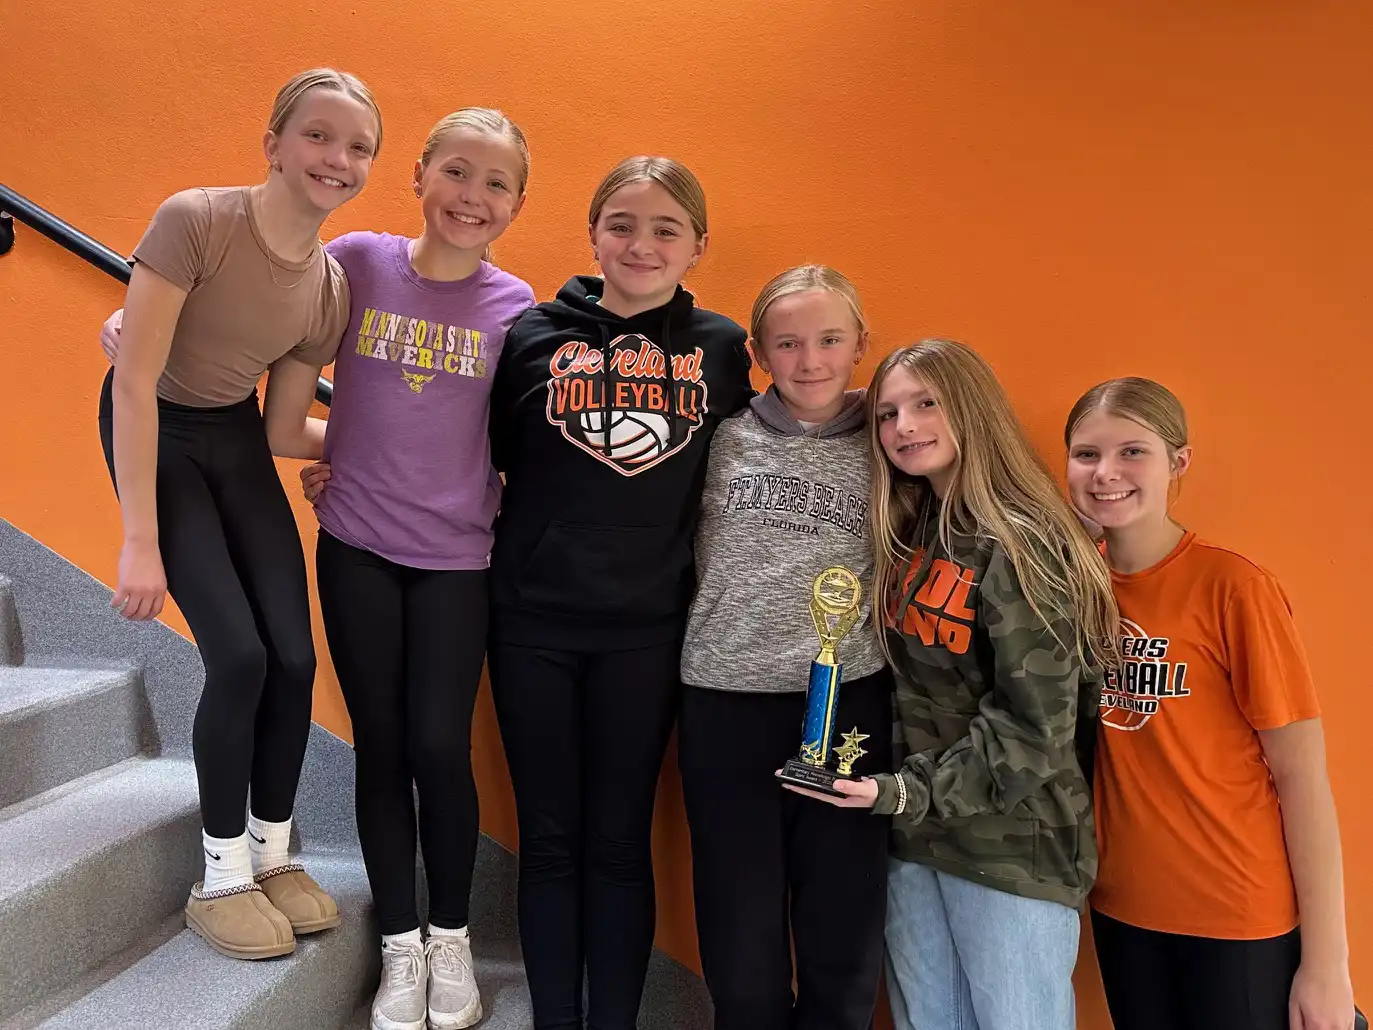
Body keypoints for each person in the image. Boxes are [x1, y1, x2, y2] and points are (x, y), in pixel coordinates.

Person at [96, 68, 381, 961]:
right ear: (273, 143)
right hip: (157, 432)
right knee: (240, 653)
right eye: (317, 136)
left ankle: (271, 854)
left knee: (293, 658)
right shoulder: (199, 220)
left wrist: (395, 452)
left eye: (357, 146)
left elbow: (283, 426)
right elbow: (136, 381)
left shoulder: (329, 288)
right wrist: (140, 540)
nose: (337, 158)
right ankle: (219, 877)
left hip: (228, 438)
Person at [486, 155, 754, 1030]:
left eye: (666, 229)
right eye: (624, 225)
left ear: (697, 246)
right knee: (550, 840)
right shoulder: (528, 335)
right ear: (593, 233)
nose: (642, 244)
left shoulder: (719, 348)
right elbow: (457, 453)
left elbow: (766, 451)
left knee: (618, 841)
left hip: (648, 633)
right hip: (530, 624)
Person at [800, 339, 1118, 1030]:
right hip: (916, 839)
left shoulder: (1024, 541)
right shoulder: (917, 532)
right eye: (885, 414)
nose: (902, 427)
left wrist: (904, 791)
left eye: (924, 404)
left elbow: (1034, 729)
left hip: (1011, 852)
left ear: (970, 408)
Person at [296, 109, 534, 1030]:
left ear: (516, 203)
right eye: (457, 172)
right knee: (383, 743)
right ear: (420, 176)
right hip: (355, 545)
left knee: (441, 744)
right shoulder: (357, 261)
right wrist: (138, 315)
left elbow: (531, 446)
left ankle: (449, 938)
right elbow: (260, 298)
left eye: (496, 183)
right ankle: (399, 945)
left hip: (457, 559)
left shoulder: (517, 312)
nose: (472, 196)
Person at [1064, 377, 1355, 1030]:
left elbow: (1301, 778)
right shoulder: (1076, 590)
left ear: (1179, 462)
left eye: (1131, 452)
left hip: (1235, 916)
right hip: (1121, 911)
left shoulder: (1233, 588)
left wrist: (1326, 964)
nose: (1105, 472)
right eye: (1086, 455)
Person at [677, 265, 891, 1030]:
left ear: (860, 344)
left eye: (830, 340)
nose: (811, 361)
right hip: (723, 701)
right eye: (789, 343)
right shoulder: (722, 437)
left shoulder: (888, 442)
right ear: (761, 353)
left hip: (847, 704)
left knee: (842, 915)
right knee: (739, 919)